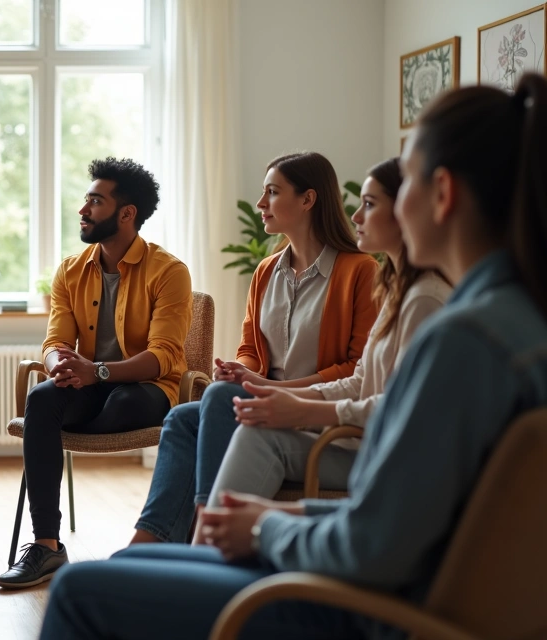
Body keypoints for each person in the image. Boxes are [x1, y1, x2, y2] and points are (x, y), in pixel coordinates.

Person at [38, 73, 547, 640]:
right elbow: (405, 519)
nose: (381, 210)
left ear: (443, 193)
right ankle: (182, 532)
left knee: (78, 590)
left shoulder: (462, 341)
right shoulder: (512, 321)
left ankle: (205, 529)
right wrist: (284, 515)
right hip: (389, 579)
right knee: (137, 558)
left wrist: (265, 528)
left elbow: (373, 546)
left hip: (369, 608)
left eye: (400, 190)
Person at [132, 152, 379, 547]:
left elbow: (356, 368)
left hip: (311, 409)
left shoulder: (359, 270)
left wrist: (277, 389)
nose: (261, 203)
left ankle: (204, 528)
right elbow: (251, 347)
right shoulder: (267, 271)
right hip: (264, 399)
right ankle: (149, 541)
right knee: (182, 420)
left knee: (216, 398)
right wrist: (241, 370)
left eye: (272, 192)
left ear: (307, 200)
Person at [0, 157, 193, 589]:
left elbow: (164, 356)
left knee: (122, 400)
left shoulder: (170, 272)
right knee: (42, 398)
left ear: (127, 214)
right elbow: (54, 343)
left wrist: (96, 371)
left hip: (144, 389)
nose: (83, 210)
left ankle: (148, 545)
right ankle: (46, 545)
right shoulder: (70, 270)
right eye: (86, 200)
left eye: (95, 202)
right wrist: (60, 366)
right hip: (87, 384)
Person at [208, 158, 451, 505]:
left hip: (376, 451)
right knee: (186, 420)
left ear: (404, 212)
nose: (356, 217)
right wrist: (262, 384)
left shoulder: (419, 298)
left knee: (239, 422)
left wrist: (296, 404)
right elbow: (360, 381)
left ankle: (207, 536)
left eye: (369, 205)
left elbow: (404, 407)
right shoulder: (396, 290)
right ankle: (188, 533)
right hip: (352, 435)